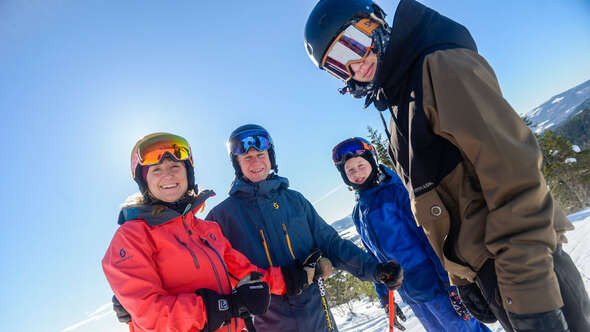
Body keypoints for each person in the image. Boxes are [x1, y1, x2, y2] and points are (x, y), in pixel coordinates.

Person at [305, 1, 590, 331]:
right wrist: (462, 276)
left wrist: (532, 301)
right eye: (338, 64)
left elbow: (516, 182)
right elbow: (437, 210)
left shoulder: (438, 68)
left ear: (375, 23)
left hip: (528, 270)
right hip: (496, 273)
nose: (355, 64)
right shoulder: (402, 103)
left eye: (353, 42)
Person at [102, 132, 315, 332]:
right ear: (144, 182)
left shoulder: (206, 231)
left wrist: (291, 278)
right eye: (156, 169)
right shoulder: (131, 237)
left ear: (188, 172)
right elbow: (151, 315)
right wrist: (224, 306)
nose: (168, 175)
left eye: (175, 166)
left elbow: (246, 275)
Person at [204, 124, 404, 332]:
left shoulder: (295, 201)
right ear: (237, 164)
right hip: (268, 323)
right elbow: (215, 278)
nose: (256, 162)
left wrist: (374, 268)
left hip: (318, 316)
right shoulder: (222, 217)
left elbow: (331, 244)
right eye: (247, 158)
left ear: (270, 156)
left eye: (261, 154)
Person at [331, 137, 492, 332]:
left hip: (436, 286)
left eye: (361, 165)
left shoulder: (396, 193)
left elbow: (429, 239)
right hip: (412, 294)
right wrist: (384, 298)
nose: (357, 173)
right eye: (350, 170)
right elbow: (374, 259)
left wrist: (453, 286)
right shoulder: (359, 213)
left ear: (372, 162)